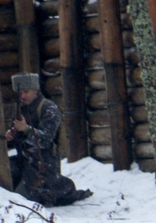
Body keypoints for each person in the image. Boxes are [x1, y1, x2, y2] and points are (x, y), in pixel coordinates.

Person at [5, 73, 92, 207]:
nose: (22, 96)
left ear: (35, 90)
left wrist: (27, 129)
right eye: (20, 93)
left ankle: (62, 189)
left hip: (44, 164)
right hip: (23, 161)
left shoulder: (49, 109)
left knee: (27, 198)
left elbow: (45, 139)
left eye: (26, 92)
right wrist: (10, 137)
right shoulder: (19, 109)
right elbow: (16, 137)